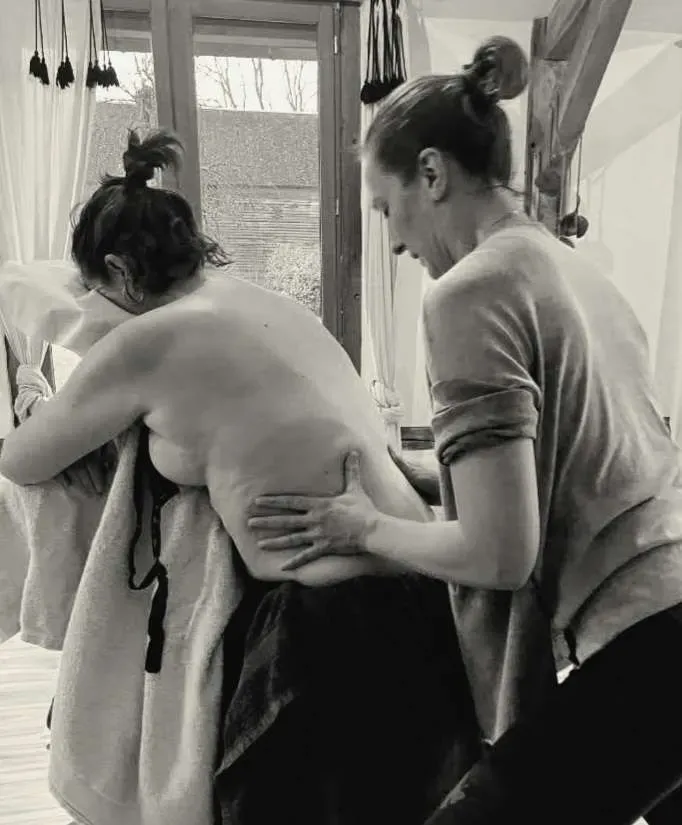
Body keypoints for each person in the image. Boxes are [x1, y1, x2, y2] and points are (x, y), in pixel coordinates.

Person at [247, 36, 682, 825]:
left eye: (387, 208)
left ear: (432, 173)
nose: (394, 239)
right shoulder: (570, 267)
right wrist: (419, 471)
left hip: (649, 641)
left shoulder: (468, 292)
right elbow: (575, 458)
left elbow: (498, 553)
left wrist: (362, 525)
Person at [0, 129, 482, 825]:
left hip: (334, 641)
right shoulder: (267, 303)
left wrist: (40, 386)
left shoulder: (148, 341)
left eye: (97, 294)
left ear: (121, 271)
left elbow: (22, 459)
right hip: (424, 608)